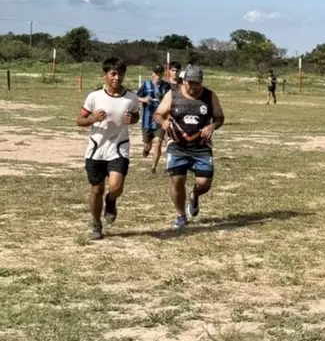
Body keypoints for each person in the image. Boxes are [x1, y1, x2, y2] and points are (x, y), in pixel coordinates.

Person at [76, 57, 140, 240]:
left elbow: (136, 116)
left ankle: (111, 200)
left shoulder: (131, 98)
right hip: (96, 149)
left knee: (115, 186)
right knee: (96, 189)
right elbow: (79, 120)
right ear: (105, 75)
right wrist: (93, 119)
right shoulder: (94, 97)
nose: (117, 77)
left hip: (119, 147)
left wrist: (133, 119)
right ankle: (96, 224)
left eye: (120, 74)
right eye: (113, 73)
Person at [153, 65, 224, 229]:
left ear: (201, 82)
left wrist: (212, 126)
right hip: (177, 145)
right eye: (190, 83)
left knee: (204, 183)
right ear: (184, 81)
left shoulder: (210, 96)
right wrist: (163, 122)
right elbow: (158, 114)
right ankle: (181, 215)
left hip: (201, 146)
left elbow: (219, 117)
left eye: (196, 83)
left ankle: (195, 195)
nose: (193, 86)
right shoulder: (173, 94)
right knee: (177, 180)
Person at [137, 65, 171, 173]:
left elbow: (171, 99)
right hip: (147, 119)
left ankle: (153, 167)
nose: (158, 75)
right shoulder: (146, 84)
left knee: (159, 142)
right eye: (156, 72)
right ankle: (146, 148)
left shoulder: (166, 86)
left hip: (160, 119)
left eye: (160, 72)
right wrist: (144, 99)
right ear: (153, 73)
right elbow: (136, 97)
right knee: (148, 145)